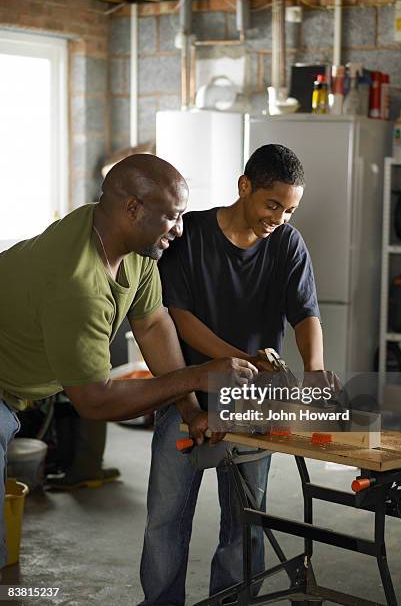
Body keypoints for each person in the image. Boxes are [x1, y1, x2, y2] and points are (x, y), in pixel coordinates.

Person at [0, 154, 257, 571]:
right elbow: (95, 402)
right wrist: (198, 374)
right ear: (133, 208)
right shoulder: (77, 284)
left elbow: (153, 324)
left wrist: (191, 410)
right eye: (172, 217)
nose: (180, 229)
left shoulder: (133, 247)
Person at [140, 144, 324, 605]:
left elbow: (305, 314)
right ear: (244, 187)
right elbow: (176, 316)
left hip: (254, 405)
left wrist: (316, 370)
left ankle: (233, 602)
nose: (279, 218)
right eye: (272, 204)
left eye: (290, 210)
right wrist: (234, 361)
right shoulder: (191, 234)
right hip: (189, 397)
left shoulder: (287, 242)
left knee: (246, 522)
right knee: (166, 519)